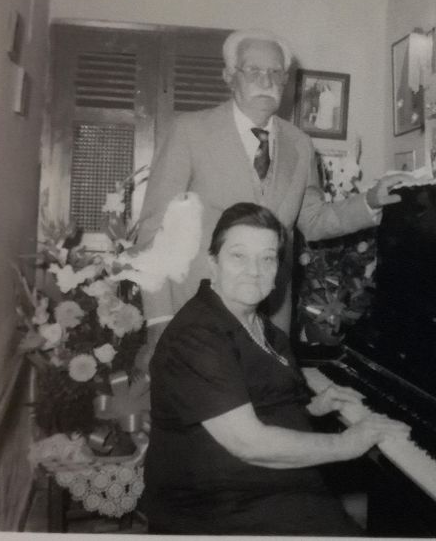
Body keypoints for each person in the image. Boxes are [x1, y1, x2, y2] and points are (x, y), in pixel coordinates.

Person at [141, 203, 410, 535]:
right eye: (238, 256)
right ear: (213, 263)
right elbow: (248, 443)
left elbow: (259, 402)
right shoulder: (197, 336)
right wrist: (348, 442)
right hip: (214, 507)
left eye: (267, 258)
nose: (254, 270)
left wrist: (314, 407)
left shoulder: (263, 328)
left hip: (263, 485)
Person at [135, 28, 409, 347]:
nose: (266, 81)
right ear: (229, 76)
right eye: (253, 70)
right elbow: (155, 230)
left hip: (270, 321)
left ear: (286, 81)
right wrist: (158, 320)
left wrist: (371, 201)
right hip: (197, 316)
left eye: (275, 72)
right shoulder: (189, 132)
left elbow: (314, 220)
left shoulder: (300, 144)